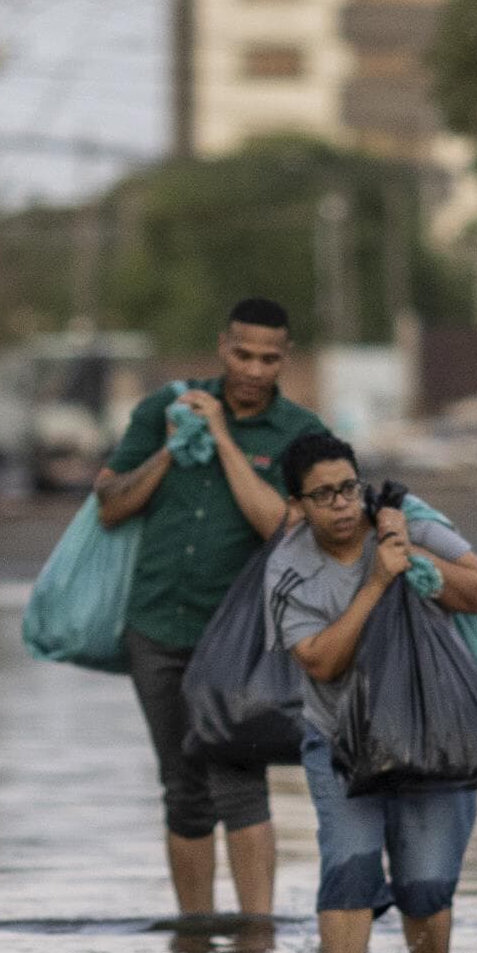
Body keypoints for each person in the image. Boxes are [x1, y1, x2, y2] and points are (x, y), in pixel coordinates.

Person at [95, 297, 326, 917]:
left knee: (240, 780)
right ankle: (194, 941)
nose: (253, 369)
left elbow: (282, 525)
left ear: (286, 358)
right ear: (223, 346)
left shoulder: (302, 434)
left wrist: (222, 436)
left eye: (268, 358)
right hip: (157, 625)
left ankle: (257, 939)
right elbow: (111, 504)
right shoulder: (163, 408)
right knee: (183, 787)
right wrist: (173, 446)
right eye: (242, 353)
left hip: (241, 637)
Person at [268, 432, 477, 953]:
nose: (342, 504)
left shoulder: (404, 519)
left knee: (427, 885)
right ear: (297, 506)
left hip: (435, 736)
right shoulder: (287, 570)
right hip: (340, 740)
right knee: (349, 871)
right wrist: (376, 581)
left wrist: (406, 551)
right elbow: (321, 662)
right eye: (323, 495)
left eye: (348, 487)